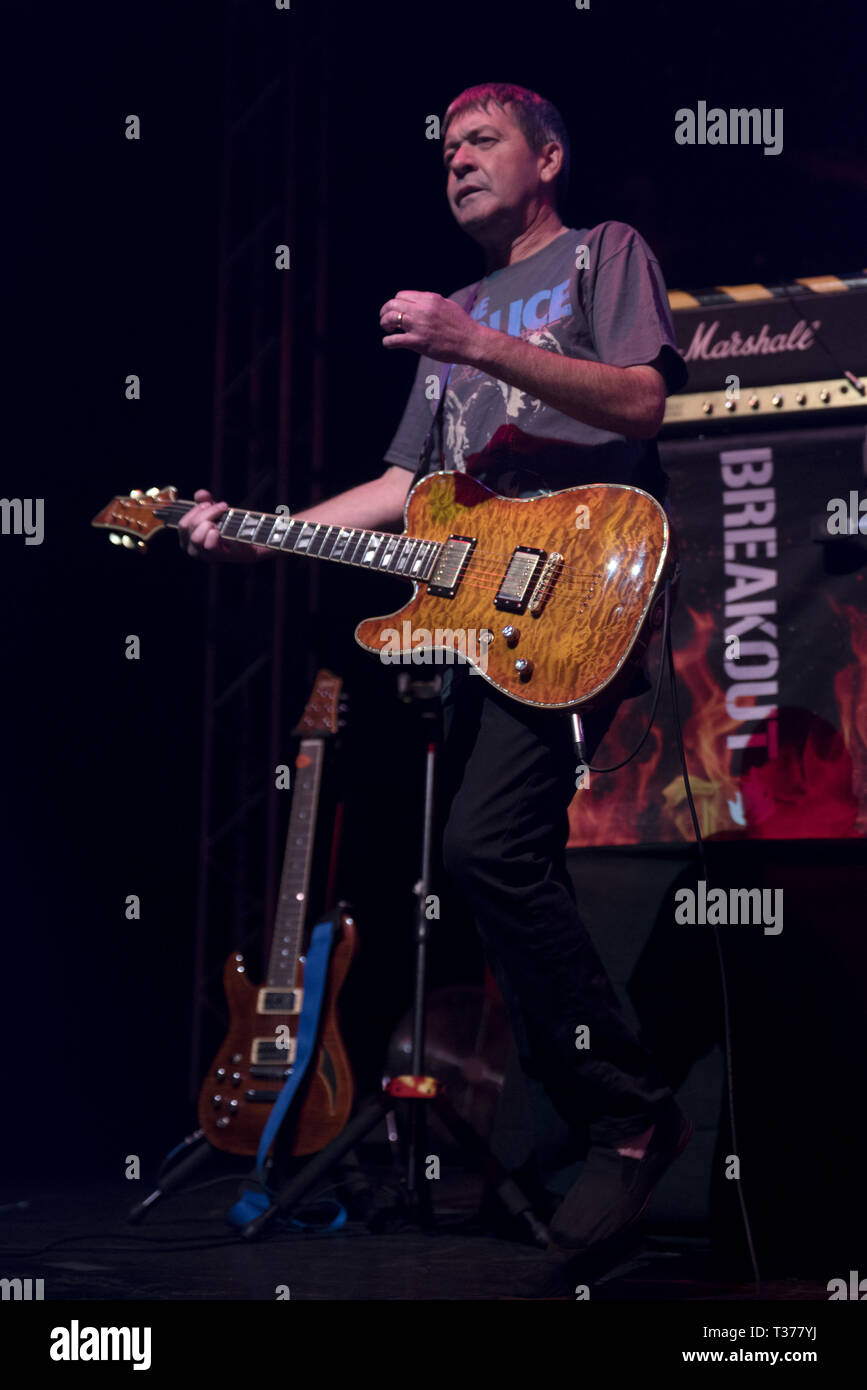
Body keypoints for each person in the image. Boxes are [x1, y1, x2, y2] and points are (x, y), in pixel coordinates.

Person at [180, 82, 692, 1282]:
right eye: (446, 146)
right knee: (475, 858)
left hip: (581, 579)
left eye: (483, 140)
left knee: (482, 852)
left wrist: (479, 346)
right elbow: (413, 494)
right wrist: (265, 529)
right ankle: (598, 1110)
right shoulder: (453, 306)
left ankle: (630, 1113)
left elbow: (642, 397)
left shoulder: (601, 254)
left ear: (548, 155)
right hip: (475, 617)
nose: (456, 159)